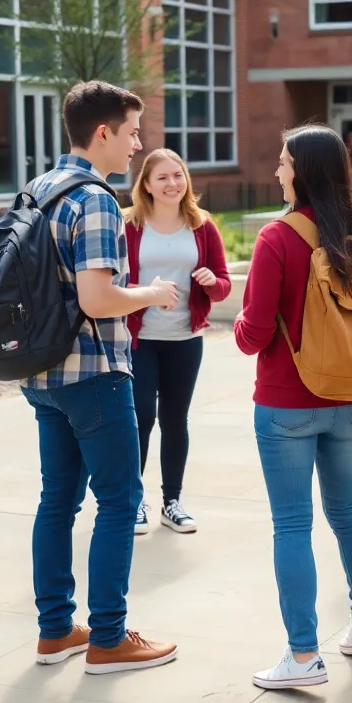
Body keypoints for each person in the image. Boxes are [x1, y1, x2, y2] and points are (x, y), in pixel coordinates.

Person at [234, 124, 352, 690]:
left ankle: (304, 655)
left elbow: (253, 335)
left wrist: (241, 322)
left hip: (288, 404)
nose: (277, 170)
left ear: (304, 171)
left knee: (292, 524)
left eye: (284, 162)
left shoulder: (277, 239)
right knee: (350, 514)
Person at [20, 81, 179, 674]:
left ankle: (55, 630)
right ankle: (109, 638)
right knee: (120, 500)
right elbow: (98, 297)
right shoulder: (94, 199)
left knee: (56, 499)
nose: (139, 145)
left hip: (42, 374)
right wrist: (152, 294)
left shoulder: (37, 188)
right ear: (104, 133)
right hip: (93, 373)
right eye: (133, 132)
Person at [124, 148, 231, 535]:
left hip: (186, 338)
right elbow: (112, 283)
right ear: (147, 185)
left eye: (178, 175)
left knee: (174, 419)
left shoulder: (202, 225)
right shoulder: (130, 225)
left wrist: (209, 282)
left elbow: (223, 284)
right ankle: (132, 501)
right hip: (140, 339)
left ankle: (172, 501)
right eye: (163, 178)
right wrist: (145, 290)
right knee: (139, 416)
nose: (173, 183)